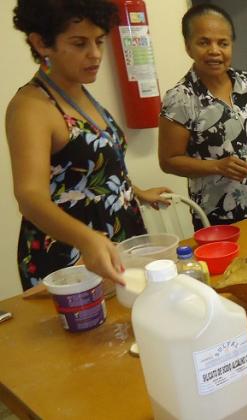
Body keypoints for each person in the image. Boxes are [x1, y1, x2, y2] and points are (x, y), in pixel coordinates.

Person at [7, 0, 171, 290]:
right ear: (41, 43)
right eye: (79, 43)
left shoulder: (79, 93)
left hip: (112, 240)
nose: (95, 55)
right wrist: (86, 239)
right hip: (71, 256)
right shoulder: (31, 107)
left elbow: (89, 168)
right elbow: (30, 198)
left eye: (99, 41)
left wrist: (138, 193)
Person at [158, 4, 247, 228]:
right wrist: (217, 166)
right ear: (188, 47)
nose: (214, 51)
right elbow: (169, 161)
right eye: (203, 42)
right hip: (217, 213)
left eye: (223, 43)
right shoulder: (180, 98)